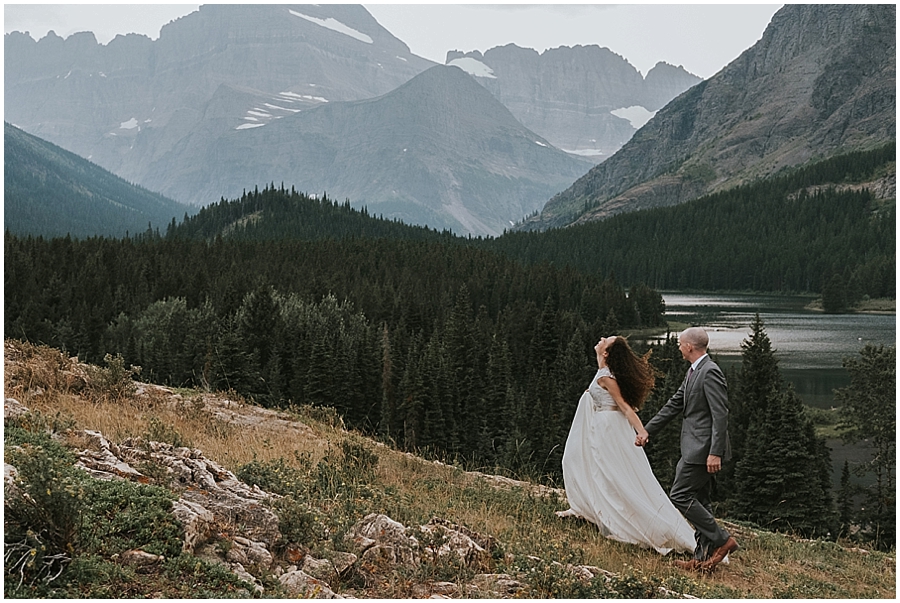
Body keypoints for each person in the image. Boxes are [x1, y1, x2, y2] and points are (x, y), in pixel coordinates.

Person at [556, 335, 695, 555]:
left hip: (607, 427)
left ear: (607, 354)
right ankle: (592, 508)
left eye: (605, 341)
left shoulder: (605, 376)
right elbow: (601, 367)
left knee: (607, 472)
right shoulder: (605, 370)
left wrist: (642, 431)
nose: (601, 338)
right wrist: (600, 355)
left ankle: (617, 519)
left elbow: (625, 407)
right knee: (598, 468)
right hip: (604, 425)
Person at [637, 327, 739, 572]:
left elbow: (720, 414)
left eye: (681, 343)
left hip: (703, 450)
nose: (678, 347)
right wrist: (647, 430)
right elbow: (675, 403)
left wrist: (715, 452)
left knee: (680, 495)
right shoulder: (694, 371)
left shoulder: (710, 371)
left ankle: (723, 541)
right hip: (694, 447)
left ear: (690, 347)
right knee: (701, 500)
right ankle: (702, 560)